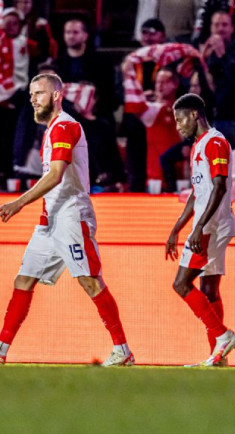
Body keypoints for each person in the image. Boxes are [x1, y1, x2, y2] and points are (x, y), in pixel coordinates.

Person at [0, 73, 133, 366]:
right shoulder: (50, 129)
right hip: (51, 218)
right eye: (32, 94)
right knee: (23, 280)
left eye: (39, 94)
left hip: (72, 216)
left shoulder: (65, 126)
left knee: (90, 281)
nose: (33, 99)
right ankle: (1, 349)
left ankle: (122, 349)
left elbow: (56, 174)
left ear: (57, 95)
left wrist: (19, 202)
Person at [165, 93, 235, 367]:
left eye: (179, 119)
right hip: (209, 224)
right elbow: (198, 194)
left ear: (194, 114)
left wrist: (198, 228)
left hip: (212, 226)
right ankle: (218, 356)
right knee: (209, 290)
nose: (178, 125)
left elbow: (219, 187)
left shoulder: (215, 142)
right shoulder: (199, 146)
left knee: (181, 284)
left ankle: (222, 335)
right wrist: (177, 228)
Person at [199, 10, 235, 148]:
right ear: (211, 28)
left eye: (224, 25)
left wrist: (223, 55)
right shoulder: (208, 54)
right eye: (216, 25)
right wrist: (201, 61)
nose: (220, 29)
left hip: (232, 120)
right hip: (208, 120)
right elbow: (202, 85)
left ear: (232, 28)